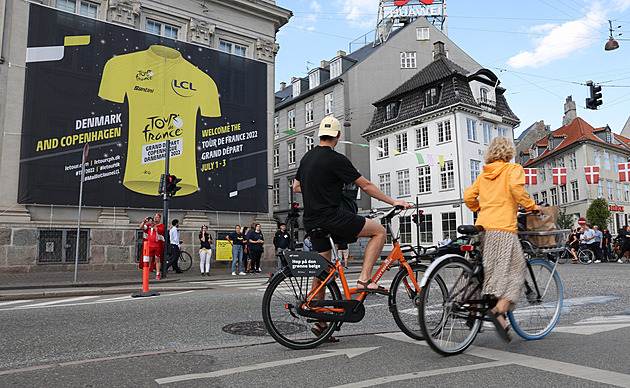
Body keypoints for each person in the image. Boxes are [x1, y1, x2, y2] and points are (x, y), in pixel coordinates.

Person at [294, 117, 411, 294]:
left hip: (311, 220)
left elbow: (296, 187)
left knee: (322, 271)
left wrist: (317, 190)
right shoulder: (336, 159)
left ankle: (319, 318)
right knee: (379, 231)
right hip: (330, 217)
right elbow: (366, 186)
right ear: (338, 135)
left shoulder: (306, 158)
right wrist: (394, 202)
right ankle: (364, 279)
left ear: (319, 135)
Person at [463, 136, 539, 342]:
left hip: (483, 227)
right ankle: (499, 311)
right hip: (503, 228)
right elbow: (517, 191)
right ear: (509, 152)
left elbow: (469, 196)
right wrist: (532, 207)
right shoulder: (512, 170)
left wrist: (481, 208)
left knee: (483, 269)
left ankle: (472, 310)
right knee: (516, 270)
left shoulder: (484, 174)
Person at [140, 213, 165, 279]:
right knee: (149, 259)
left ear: (159, 219)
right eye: (155, 217)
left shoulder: (161, 225)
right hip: (150, 245)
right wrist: (144, 221)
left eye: (157, 217)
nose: (155, 219)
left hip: (157, 245)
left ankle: (157, 273)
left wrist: (153, 224)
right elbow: (141, 227)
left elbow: (158, 230)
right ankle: (146, 273)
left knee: (157, 259)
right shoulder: (149, 226)